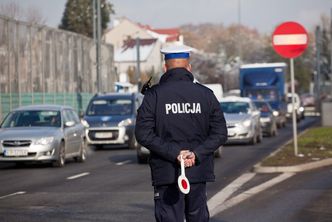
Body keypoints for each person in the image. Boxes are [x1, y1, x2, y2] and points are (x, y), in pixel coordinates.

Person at [135, 45, 228, 222]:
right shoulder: (206, 95)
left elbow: (143, 133)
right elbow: (220, 133)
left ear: (165, 67)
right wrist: (196, 154)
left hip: (166, 173)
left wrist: (175, 154)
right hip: (197, 171)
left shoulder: (154, 96)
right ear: (189, 67)